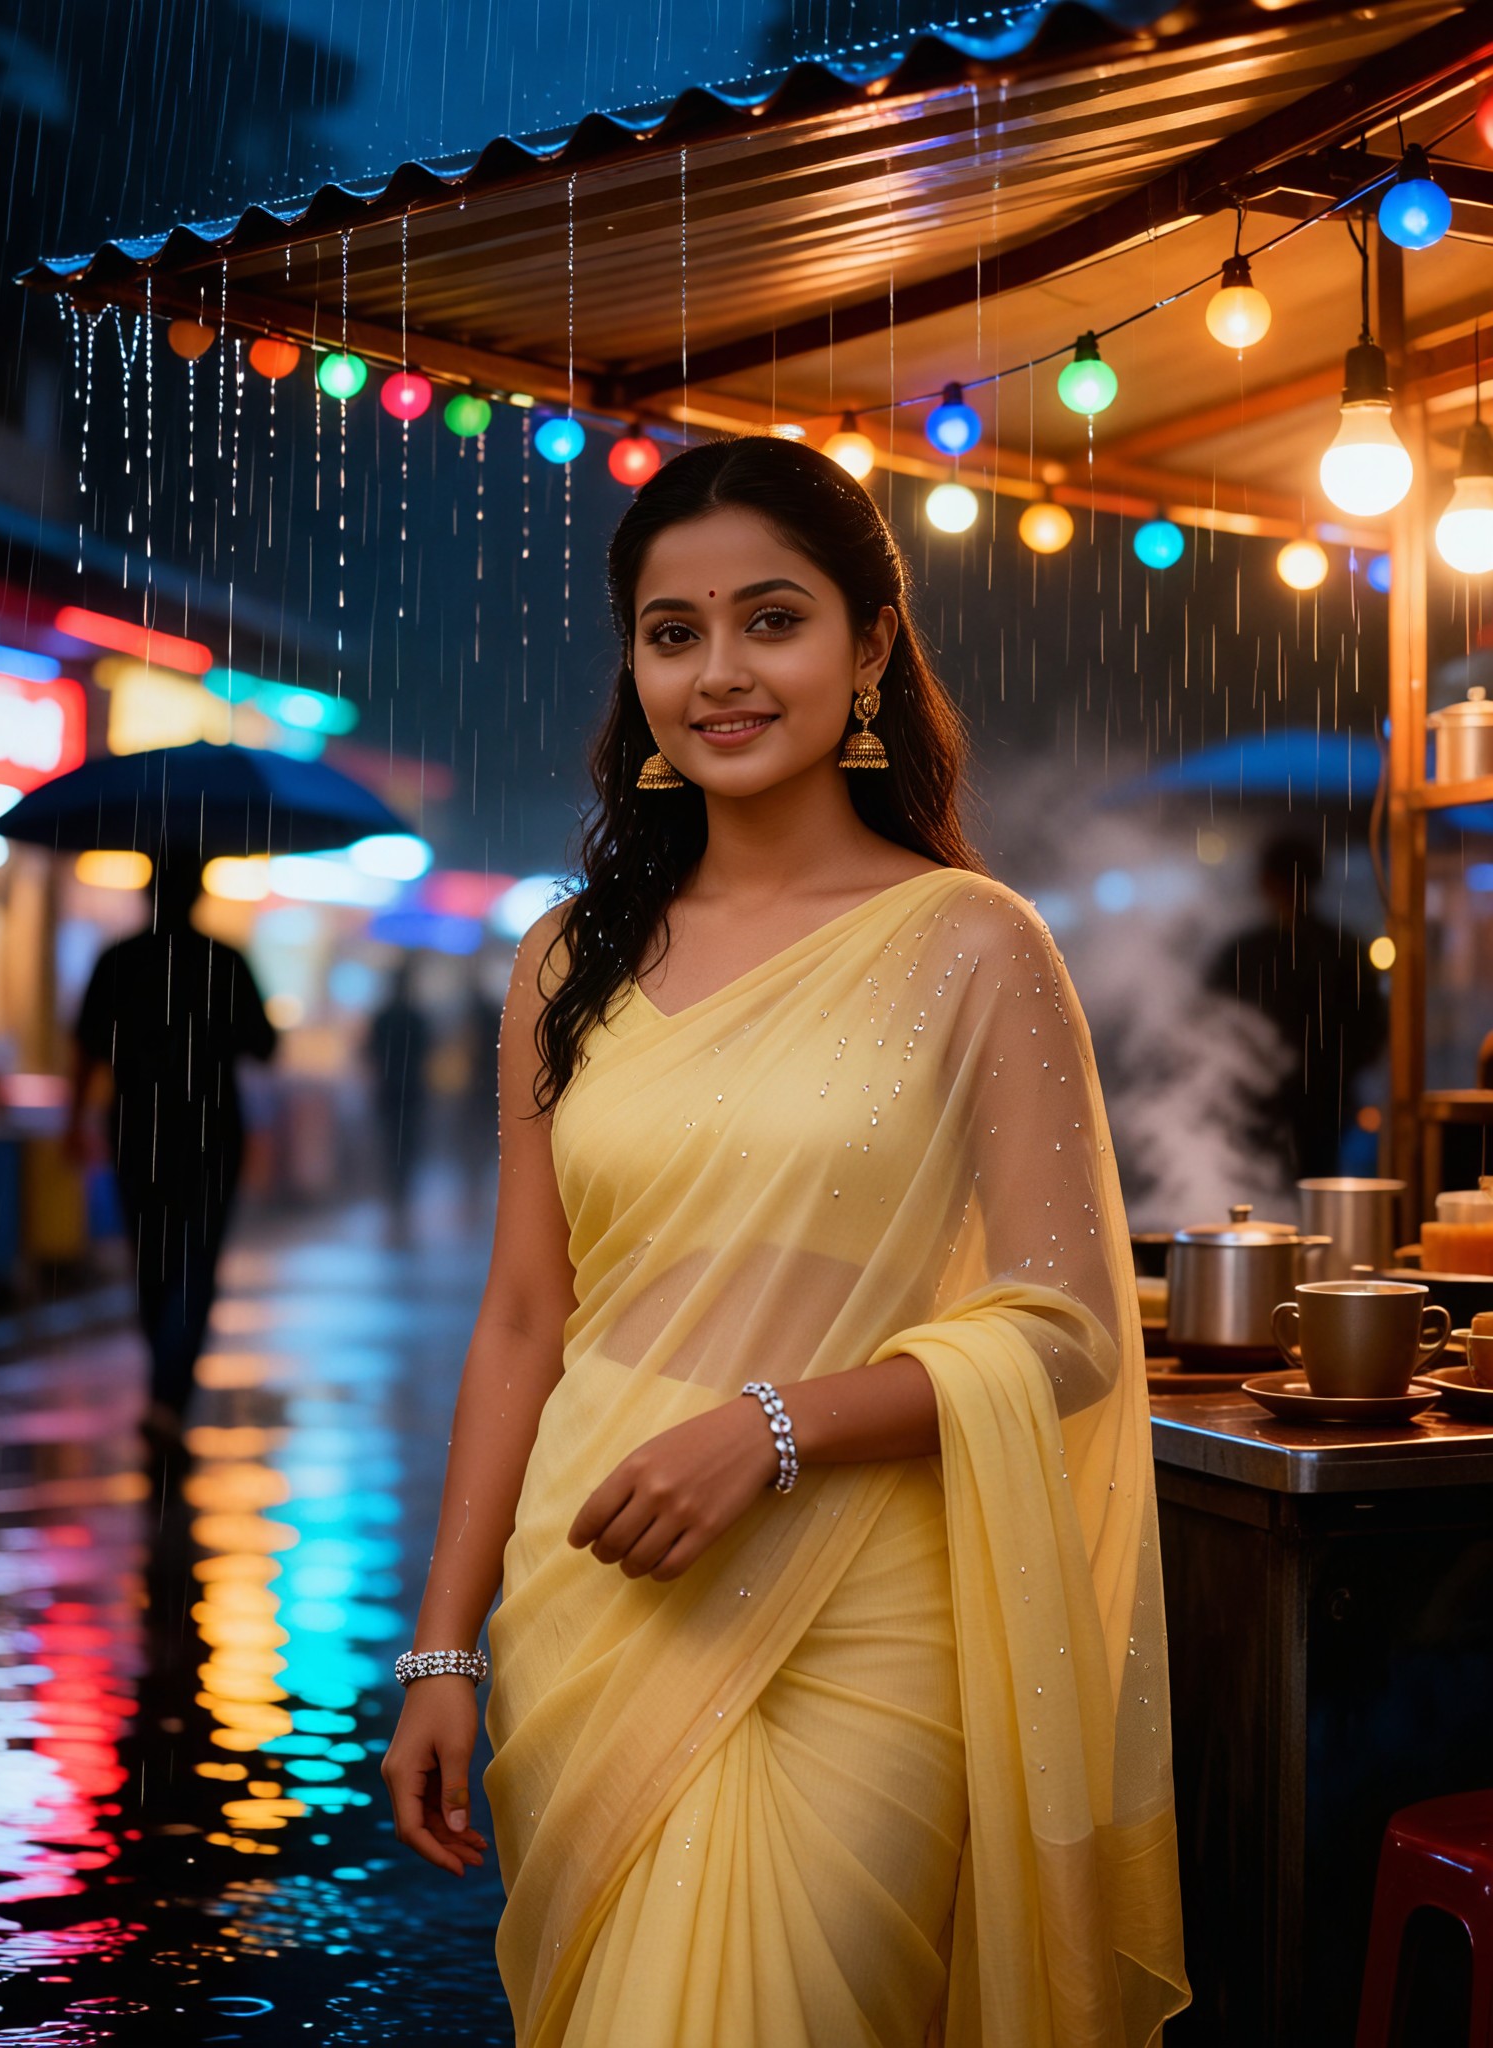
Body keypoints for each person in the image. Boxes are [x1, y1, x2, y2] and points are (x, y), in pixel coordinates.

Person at [381, 437, 1189, 2044]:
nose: (720, 672)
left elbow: (1066, 1328)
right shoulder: (564, 960)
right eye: (673, 633)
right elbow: (525, 1318)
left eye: (772, 619)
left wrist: (772, 1430)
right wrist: (442, 1650)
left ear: (871, 646)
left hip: (858, 1607)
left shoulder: (970, 944)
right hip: (593, 1582)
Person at [67, 852, 276, 1450]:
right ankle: (167, 1396)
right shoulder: (224, 962)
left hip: (138, 1132)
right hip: (211, 1134)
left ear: (149, 894)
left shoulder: (119, 961)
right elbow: (263, 1047)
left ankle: (162, 1384)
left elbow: (85, 1048)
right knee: (197, 1264)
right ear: (198, 895)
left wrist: (75, 1121)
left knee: (151, 1264)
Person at [1204, 832, 1388, 1181]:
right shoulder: (1344, 949)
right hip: (1324, 1106)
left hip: (1256, 1105)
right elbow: (1371, 1032)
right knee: (1316, 1196)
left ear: (1267, 882)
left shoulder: (1245, 952)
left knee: (1252, 1197)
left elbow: (1208, 1027)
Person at [367, 957, 429, 1213]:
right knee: (408, 1139)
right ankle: (402, 1187)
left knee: (391, 1139)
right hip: (411, 1088)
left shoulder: (382, 1017)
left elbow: (370, 1050)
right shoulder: (416, 1017)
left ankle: (394, 1186)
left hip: (388, 1087)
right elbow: (427, 1050)